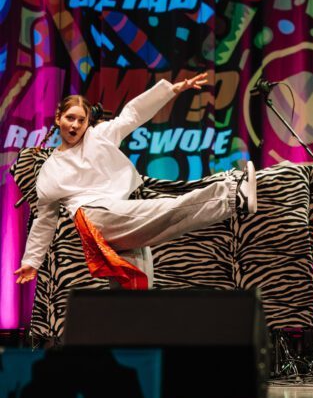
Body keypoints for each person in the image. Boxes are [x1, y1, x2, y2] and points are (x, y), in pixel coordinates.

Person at [14, 73, 257, 289]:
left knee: (137, 282)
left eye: (81, 120)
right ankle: (232, 195)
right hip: (94, 218)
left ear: (88, 122)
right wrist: (31, 261)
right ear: (58, 118)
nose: (75, 125)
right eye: (70, 118)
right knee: (167, 209)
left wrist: (172, 90)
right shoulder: (51, 169)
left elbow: (132, 115)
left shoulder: (98, 137)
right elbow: (45, 219)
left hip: (115, 214)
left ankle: (126, 328)